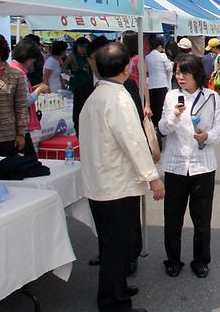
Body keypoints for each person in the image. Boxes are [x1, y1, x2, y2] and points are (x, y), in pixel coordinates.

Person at [79, 42, 164, 312]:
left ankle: (115, 289)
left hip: (101, 184)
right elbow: (134, 141)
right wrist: (153, 177)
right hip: (117, 186)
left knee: (110, 245)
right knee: (118, 247)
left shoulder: (96, 95)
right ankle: (114, 302)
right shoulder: (118, 97)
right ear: (126, 68)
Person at [73, 35, 147, 273]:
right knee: (114, 241)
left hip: (106, 177)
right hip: (114, 179)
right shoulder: (111, 95)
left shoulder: (111, 92)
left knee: (116, 239)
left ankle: (121, 281)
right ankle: (114, 296)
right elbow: (133, 139)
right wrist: (151, 176)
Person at [160, 53, 220, 279]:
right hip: (176, 165)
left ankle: (201, 260)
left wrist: (207, 136)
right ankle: (173, 259)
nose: (180, 77)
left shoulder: (211, 97)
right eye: (177, 72)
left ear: (197, 74)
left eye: (185, 73)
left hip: (202, 166)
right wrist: (174, 117)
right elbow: (163, 129)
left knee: (202, 218)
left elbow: (219, 130)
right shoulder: (170, 97)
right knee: (173, 217)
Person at [9, 38, 51, 154]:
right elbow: (25, 101)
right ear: (28, 59)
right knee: (29, 159)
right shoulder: (20, 74)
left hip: (12, 124)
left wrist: (33, 88)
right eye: (32, 61)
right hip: (19, 125)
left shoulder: (10, 69)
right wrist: (39, 90)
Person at [145, 36, 173, 133]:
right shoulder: (162, 56)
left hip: (151, 85)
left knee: (154, 107)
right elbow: (169, 68)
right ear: (160, 46)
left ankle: (155, 128)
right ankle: (162, 130)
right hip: (162, 84)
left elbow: (147, 70)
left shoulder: (147, 57)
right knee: (162, 108)